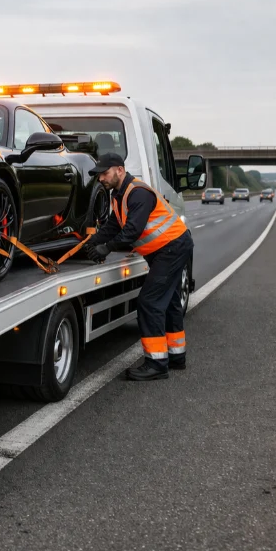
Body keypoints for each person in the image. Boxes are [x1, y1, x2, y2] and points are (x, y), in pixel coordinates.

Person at [84, 153, 193, 381]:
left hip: (171, 248)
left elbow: (131, 231)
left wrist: (106, 249)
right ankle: (176, 356)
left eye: (104, 173)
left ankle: (156, 363)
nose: (101, 178)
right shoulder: (119, 196)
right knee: (171, 301)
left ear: (120, 170)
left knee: (149, 302)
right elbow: (114, 225)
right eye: (99, 175)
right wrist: (92, 242)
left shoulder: (138, 193)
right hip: (165, 249)